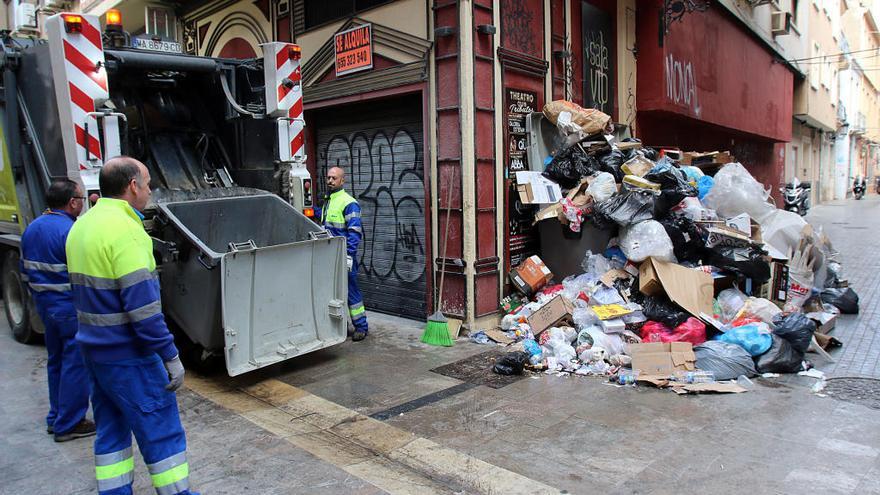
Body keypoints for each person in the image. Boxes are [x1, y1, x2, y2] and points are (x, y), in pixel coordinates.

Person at [66, 156, 197, 495]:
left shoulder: (82, 225)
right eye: (148, 183)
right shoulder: (127, 232)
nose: (150, 189)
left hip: (95, 352)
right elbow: (144, 311)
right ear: (132, 186)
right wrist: (170, 355)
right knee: (161, 427)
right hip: (130, 354)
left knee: (111, 429)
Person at [21, 179, 94, 442]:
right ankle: (69, 423)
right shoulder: (71, 231)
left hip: (45, 305)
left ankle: (56, 417)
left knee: (57, 361)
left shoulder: (32, 228)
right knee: (76, 364)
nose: (82, 205)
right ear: (73, 202)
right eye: (82, 200)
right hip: (68, 308)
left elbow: (25, 271)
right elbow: (82, 276)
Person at [319, 166, 369, 341]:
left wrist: (348, 256)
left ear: (342, 181)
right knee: (334, 292)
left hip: (343, 256)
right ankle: (342, 325)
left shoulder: (349, 202)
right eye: (328, 178)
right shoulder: (329, 200)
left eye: (334, 178)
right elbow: (327, 223)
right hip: (329, 255)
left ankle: (361, 327)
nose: (330, 181)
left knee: (351, 292)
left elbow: (354, 232)